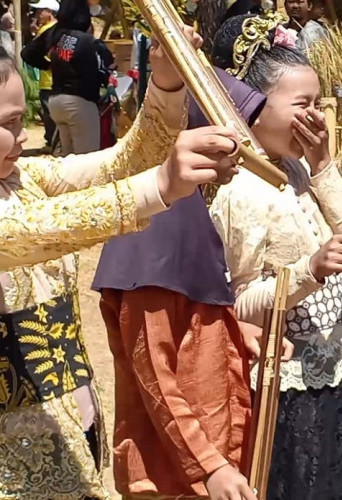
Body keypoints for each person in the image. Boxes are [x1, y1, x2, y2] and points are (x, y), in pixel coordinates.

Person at [0, 30, 242, 498]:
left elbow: (125, 161)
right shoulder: (24, 197)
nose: (22, 135)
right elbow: (35, 229)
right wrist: (160, 185)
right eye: (10, 123)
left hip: (69, 429)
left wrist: (167, 82)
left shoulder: (25, 178)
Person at [209, 14, 342, 499]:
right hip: (290, 389)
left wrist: (325, 166)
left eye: (318, 103)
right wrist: (308, 271)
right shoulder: (239, 192)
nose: (315, 117)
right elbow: (235, 304)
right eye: (301, 104)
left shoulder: (299, 172)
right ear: (252, 108)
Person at [91, 70, 261, 500]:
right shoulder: (155, 232)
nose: (244, 151)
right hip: (170, 476)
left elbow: (196, 327)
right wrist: (210, 466)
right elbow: (154, 372)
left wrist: (239, 336)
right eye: (233, 136)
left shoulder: (193, 211)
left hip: (212, 456)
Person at [47, 0, 114, 154]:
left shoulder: (58, 39)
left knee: (68, 158)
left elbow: (29, 53)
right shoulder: (89, 42)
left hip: (56, 101)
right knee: (87, 159)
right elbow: (107, 65)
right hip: (79, 102)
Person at [21, 0, 59, 150]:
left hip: (49, 81)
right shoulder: (54, 30)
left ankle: (52, 143)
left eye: (40, 11)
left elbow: (30, 53)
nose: (37, 14)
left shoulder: (47, 31)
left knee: (50, 116)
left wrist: (46, 65)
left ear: (49, 12)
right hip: (52, 80)